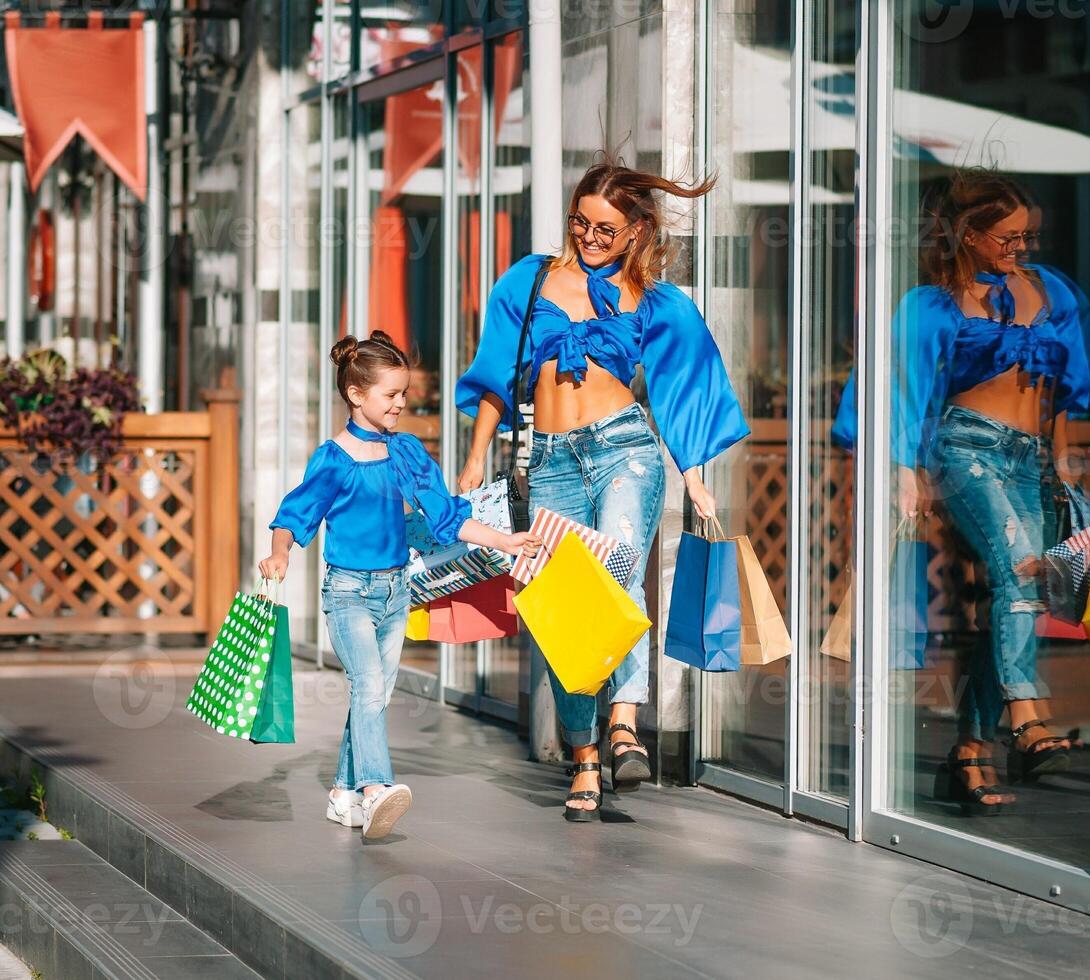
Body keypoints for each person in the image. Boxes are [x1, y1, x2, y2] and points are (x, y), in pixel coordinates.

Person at [455, 161, 749, 822]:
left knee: (615, 579)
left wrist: (695, 479)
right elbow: (497, 373)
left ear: (636, 230)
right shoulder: (528, 280)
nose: (590, 236)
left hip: (625, 450)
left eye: (606, 229)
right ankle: (584, 758)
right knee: (567, 610)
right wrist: (476, 459)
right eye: (581, 222)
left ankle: (624, 723)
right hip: (551, 462)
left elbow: (684, 385)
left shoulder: (654, 298)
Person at [836, 170, 1090, 814]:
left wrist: (1065, 460)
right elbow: (898, 389)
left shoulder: (1052, 291)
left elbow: (1069, 388)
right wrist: (904, 470)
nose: (1020, 247)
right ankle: (1024, 710)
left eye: (1026, 235)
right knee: (1021, 575)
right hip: (966, 449)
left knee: (1022, 593)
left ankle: (970, 753)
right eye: (1006, 237)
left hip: (1031, 457)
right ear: (969, 235)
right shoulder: (934, 303)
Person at [259, 331, 541, 839]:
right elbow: (293, 514)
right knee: (368, 687)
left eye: (403, 393)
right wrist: (279, 553)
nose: (401, 403)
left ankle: (342, 793)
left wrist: (506, 540)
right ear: (356, 395)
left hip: (395, 593)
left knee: (375, 695)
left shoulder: (406, 454)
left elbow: (449, 517)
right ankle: (375, 791)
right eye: (391, 395)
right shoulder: (332, 460)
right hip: (347, 595)